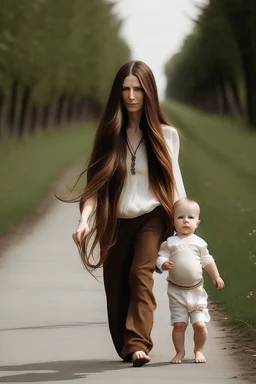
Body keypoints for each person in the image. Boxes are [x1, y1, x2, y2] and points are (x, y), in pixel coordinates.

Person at [73, 60, 186, 367]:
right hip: (116, 220)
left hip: (152, 217)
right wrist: (85, 221)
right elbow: (94, 187)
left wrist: (184, 230)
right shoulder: (110, 135)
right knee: (117, 287)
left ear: (148, 92)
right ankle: (126, 345)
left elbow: (175, 184)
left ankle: (138, 343)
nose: (132, 95)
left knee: (141, 275)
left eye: (138, 89)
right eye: (125, 89)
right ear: (118, 92)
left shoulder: (166, 135)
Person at [156, 197, 225, 364]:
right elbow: (160, 256)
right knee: (179, 325)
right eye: (180, 217)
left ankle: (198, 350)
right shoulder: (170, 243)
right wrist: (163, 263)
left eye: (190, 217)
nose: (185, 220)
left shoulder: (199, 243)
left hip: (196, 292)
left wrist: (216, 276)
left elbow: (207, 260)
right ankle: (179, 352)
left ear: (197, 223)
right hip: (176, 292)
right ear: (173, 222)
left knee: (199, 325)